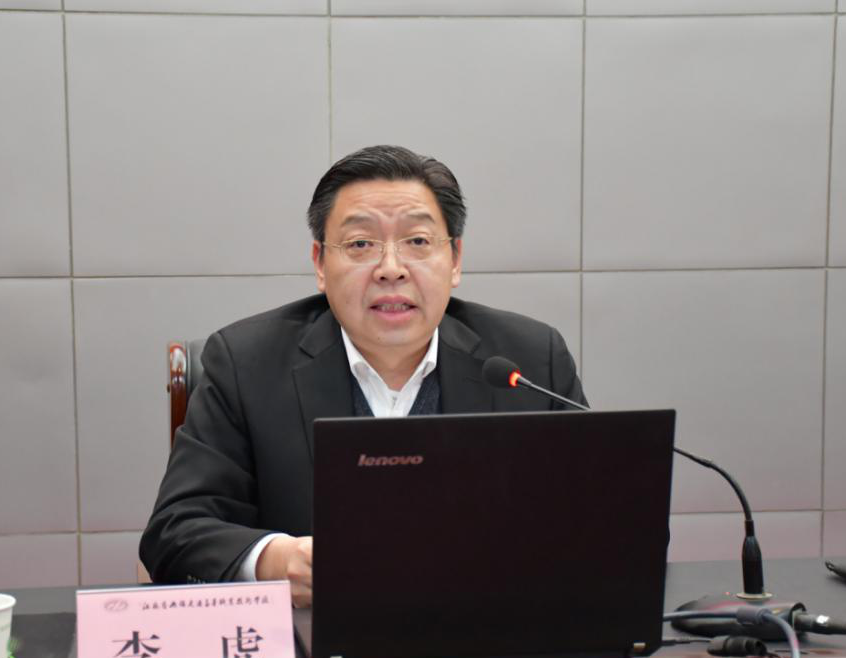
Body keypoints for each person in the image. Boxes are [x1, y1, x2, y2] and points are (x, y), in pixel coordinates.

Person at [140, 145, 585, 606]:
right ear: (319, 263)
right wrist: (276, 560)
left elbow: (595, 514)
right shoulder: (245, 364)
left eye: (417, 241)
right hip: (316, 640)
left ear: (454, 259)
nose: (391, 269)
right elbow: (175, 532)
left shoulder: (530, 360)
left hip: (489, 632)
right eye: (360, 244)